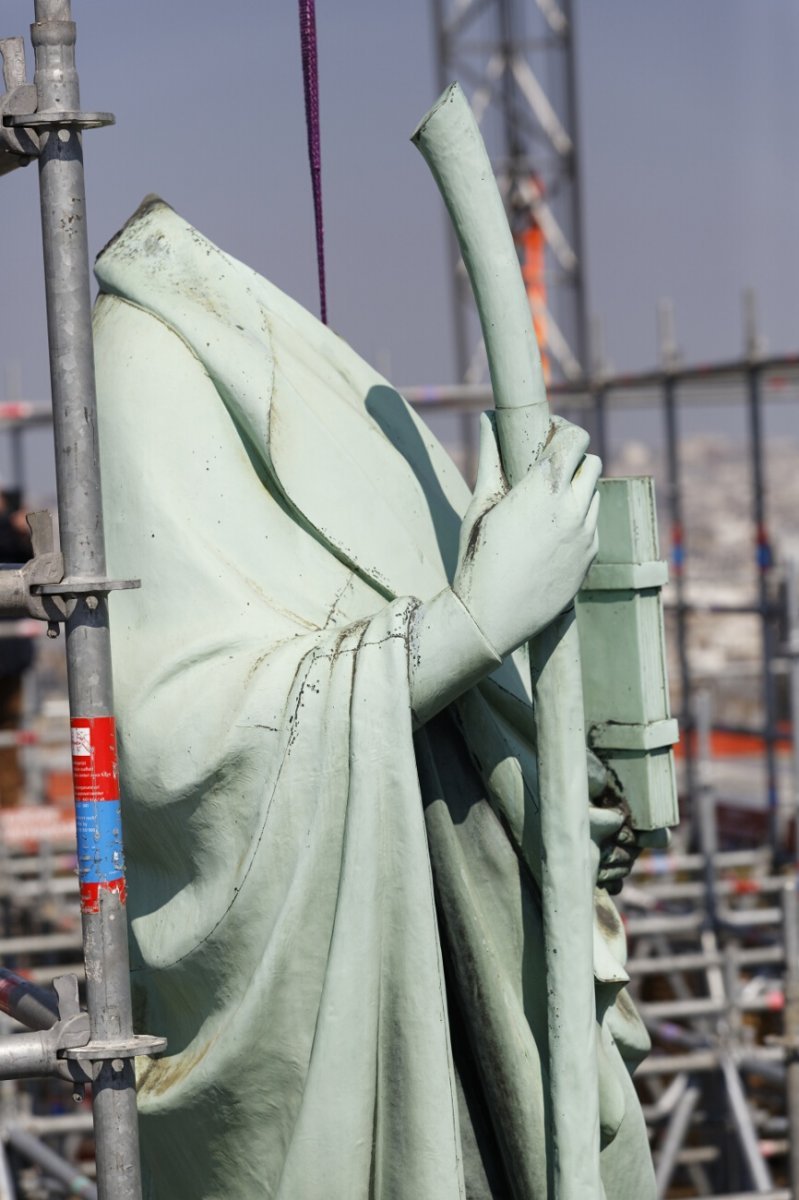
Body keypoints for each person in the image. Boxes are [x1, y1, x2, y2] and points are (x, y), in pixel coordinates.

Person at [94, 198, 661, 1199]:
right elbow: (186, 745)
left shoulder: (313, 398)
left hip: (481, 985)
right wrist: (467, 624)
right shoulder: (144, 362)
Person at [0, 487, 33, 808]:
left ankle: (9, 810)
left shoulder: (13, 531)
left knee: (10, 735)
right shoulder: (10, 530)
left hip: (10, 662)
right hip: (12, 658)